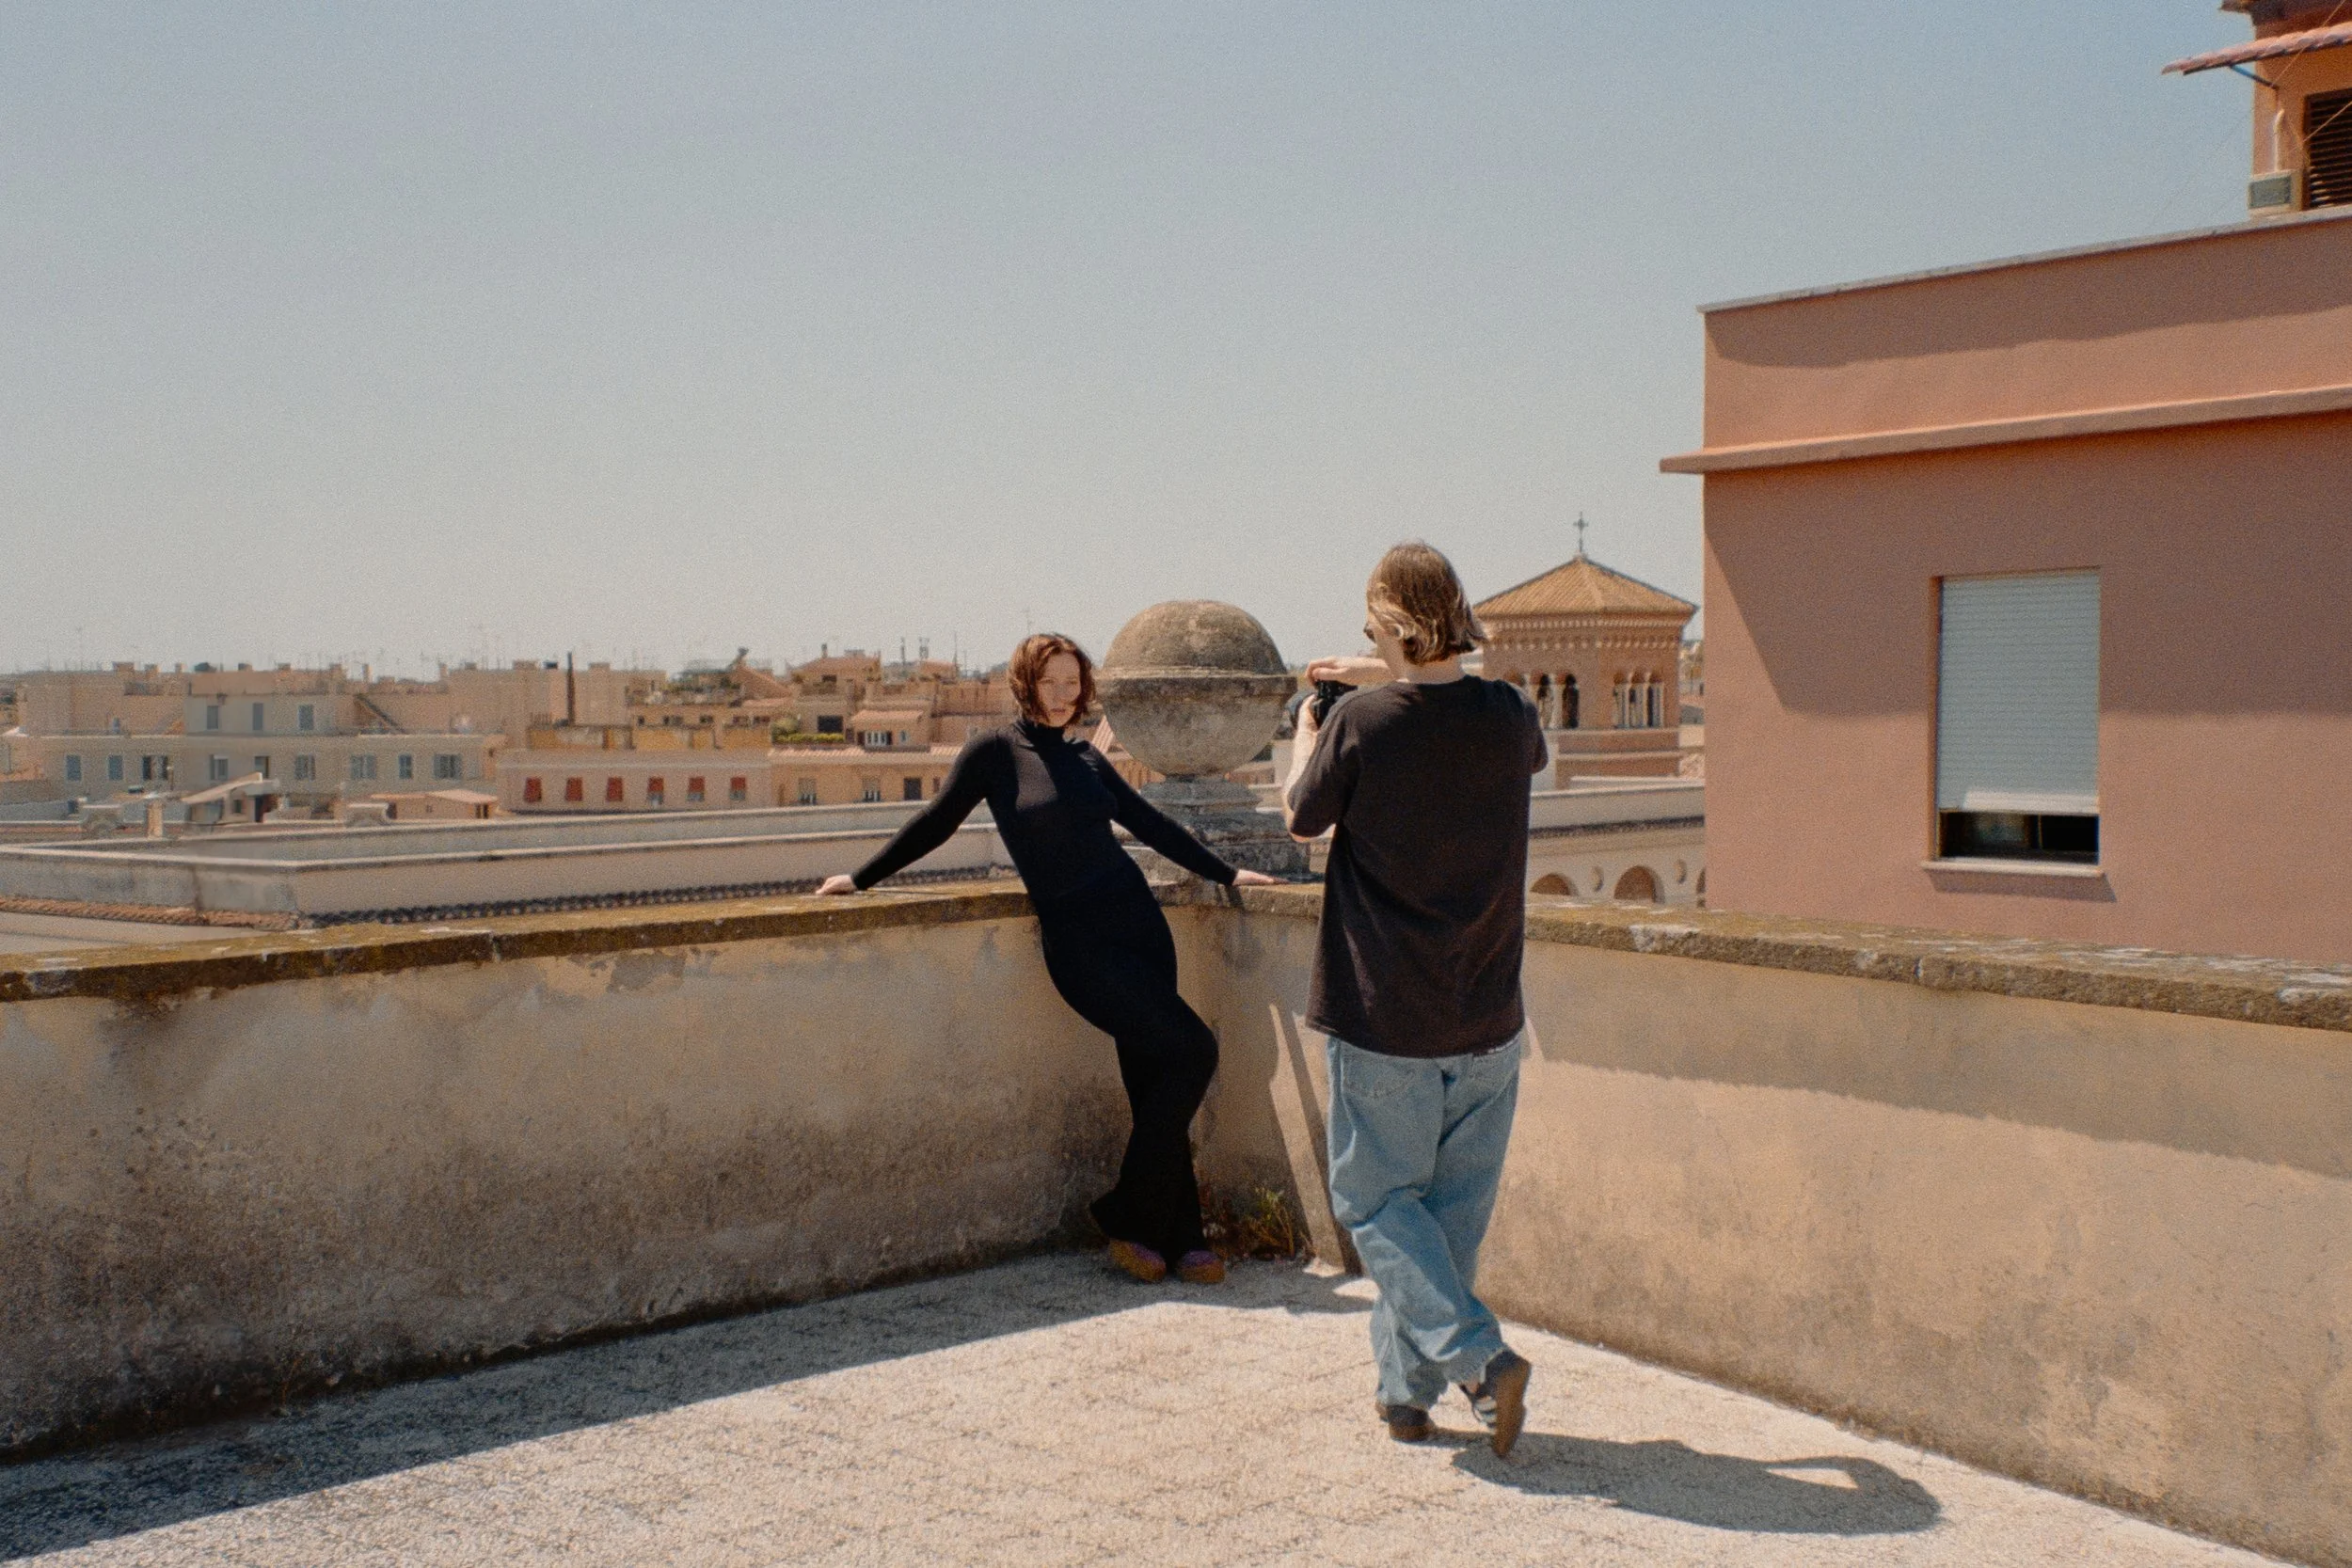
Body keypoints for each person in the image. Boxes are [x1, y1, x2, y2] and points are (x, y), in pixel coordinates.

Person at [818, 632, 1278, 1285]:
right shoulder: (994, 753)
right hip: (1080, 945)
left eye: (1072, 682)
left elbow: (1150, 824)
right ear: (1024, 683)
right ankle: (1125, 1210)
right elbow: (937, 821)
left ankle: (1178, 1237)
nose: (1063, 695)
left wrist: (1228, 872)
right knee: (1194, 1050)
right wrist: (860, 878)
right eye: (1049, 681)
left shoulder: (1087, 757)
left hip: (1140, 929)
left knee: (1156, 1083)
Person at [1281, 542, 1548, 1457]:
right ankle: (1405, 1394)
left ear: (1388, 624)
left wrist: (1310, 724)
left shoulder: (1358, 723)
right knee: (1444, 1223)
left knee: (1372, 1202)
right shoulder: (1510, 714)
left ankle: (1480, 1359)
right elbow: (1444, 701)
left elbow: (1299, 816)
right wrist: (1385, 671)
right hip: (1488, 1014)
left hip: (1386, 1014)